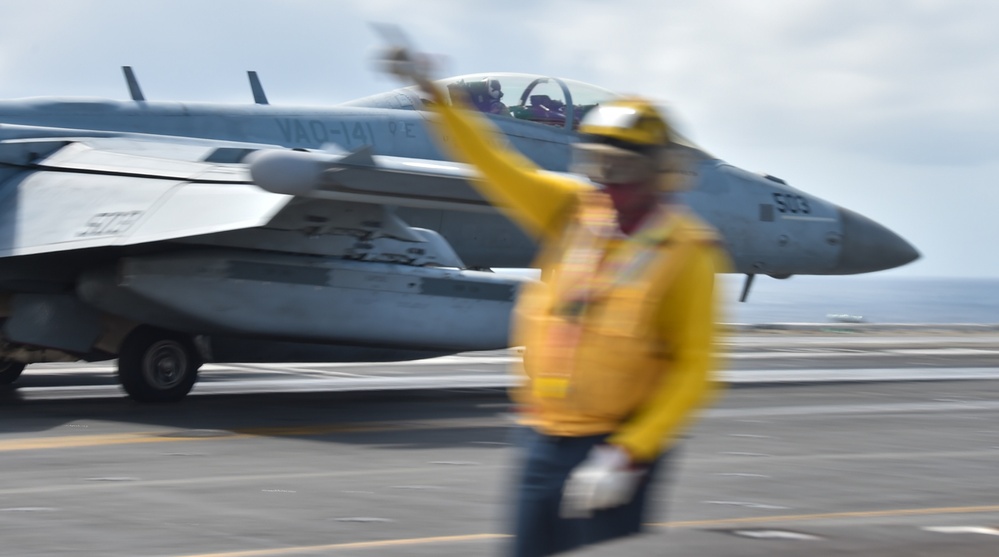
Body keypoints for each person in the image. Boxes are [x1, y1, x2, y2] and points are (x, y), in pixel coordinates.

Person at [379, 45, 728, 557]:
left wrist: (630, 453)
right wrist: (435, 96)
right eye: (598, 162)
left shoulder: (687, 253)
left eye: (621, 166)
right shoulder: (572, 213)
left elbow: (694, 369)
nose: (606, 180)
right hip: (543, 437)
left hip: (614, 446)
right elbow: (494, 163)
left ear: (657, 174)